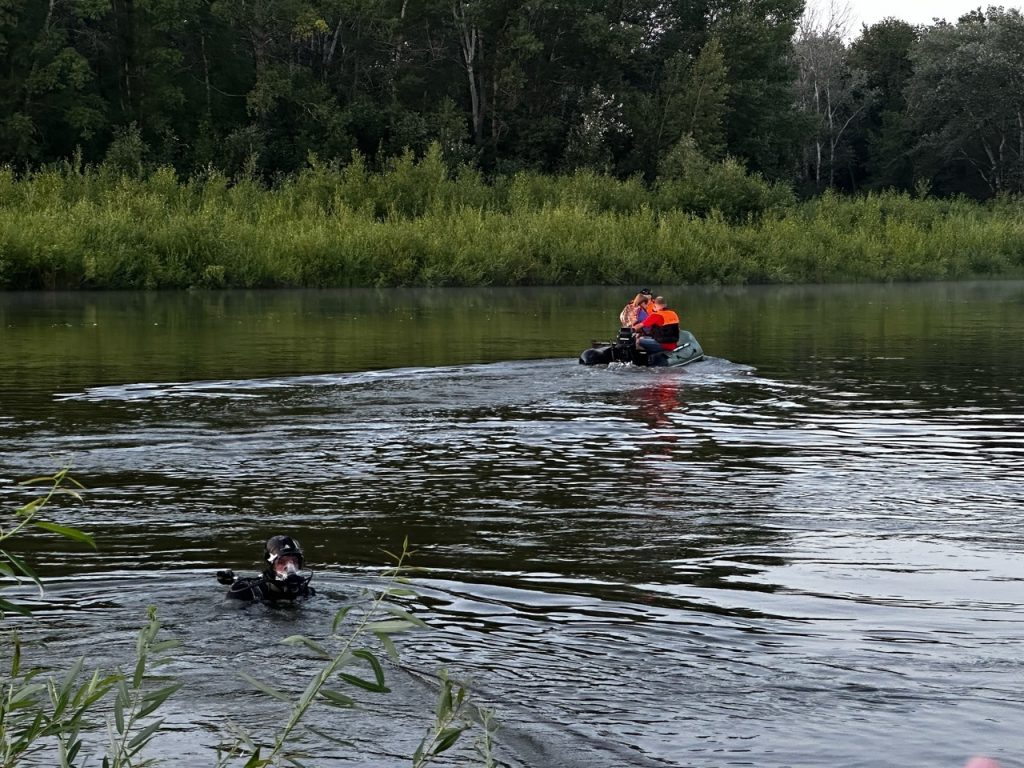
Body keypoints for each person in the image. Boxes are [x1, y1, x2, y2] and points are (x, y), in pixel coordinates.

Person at [216, 535, 314, 602]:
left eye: (294, 561)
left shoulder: (306, 592)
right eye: (282, 562)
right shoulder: (251, 591)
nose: (289, 567)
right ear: (271, 564)